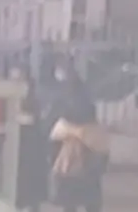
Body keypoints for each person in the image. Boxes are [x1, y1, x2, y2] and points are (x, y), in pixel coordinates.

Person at [44, 59, 107, 212]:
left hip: (70, 148)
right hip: (87, 148)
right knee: (90, 191)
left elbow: (52, 123)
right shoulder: (85, 99)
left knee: (70, 194)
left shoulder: (62, 98)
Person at [9, 65, 48, 211]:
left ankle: (32, 204)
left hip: (31, 144)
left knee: (30, 177)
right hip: (17, 144)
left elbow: (34, 118)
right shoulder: (10, 97)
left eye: (18, 78)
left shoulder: (33, 97)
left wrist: (19, 117)